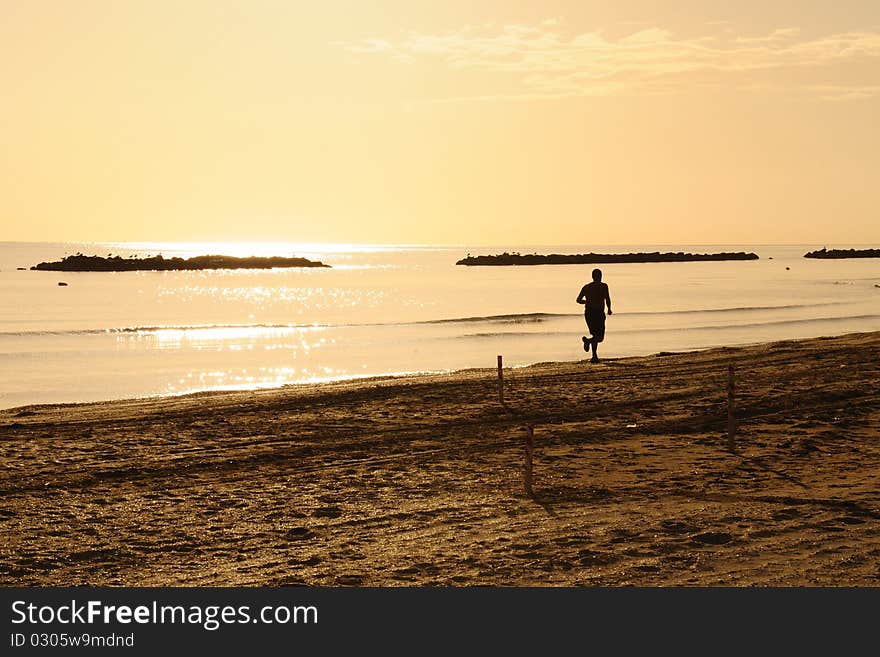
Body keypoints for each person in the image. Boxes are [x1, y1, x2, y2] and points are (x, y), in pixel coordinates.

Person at [576, 268, 612, 363]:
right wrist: (609, 308)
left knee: (595, 335)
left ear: (592, 277)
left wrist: (587, 301)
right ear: (600, 276)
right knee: (599, 337)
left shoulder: (587, 287)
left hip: (589, 313)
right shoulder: (604, 286)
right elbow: (607, 298)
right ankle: (588, 343)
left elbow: (578, 300)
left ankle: (594, 356)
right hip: (598, 313)